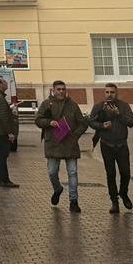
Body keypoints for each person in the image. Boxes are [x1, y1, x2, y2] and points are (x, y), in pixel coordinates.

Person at [35, 79, 87, 212]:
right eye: (58, 89)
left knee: (73, 173)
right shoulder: (47, 104)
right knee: (52, 172)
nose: (61, 92)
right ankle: (57, 189)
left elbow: (82, 123)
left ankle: (73, 201)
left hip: (70, 144)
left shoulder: (73, 105)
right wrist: (49, 122)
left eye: (63, 89)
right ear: (53, 90)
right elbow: (38, 120)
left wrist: (75, 136)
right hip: (53, 143)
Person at [88, 82, 133, 213]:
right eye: (107, 92)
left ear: (117, 93)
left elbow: (131, 122)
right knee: (111, 174)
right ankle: (114, 201)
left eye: (112, 92)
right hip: (106, 144)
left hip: (121, 145)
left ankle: (124, 193)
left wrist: (118, 114)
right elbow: (91, 121)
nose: (109, 95)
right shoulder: (99, 106)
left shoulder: (124, 106)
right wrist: (102, 126)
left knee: (125, 173)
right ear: (104, 93)